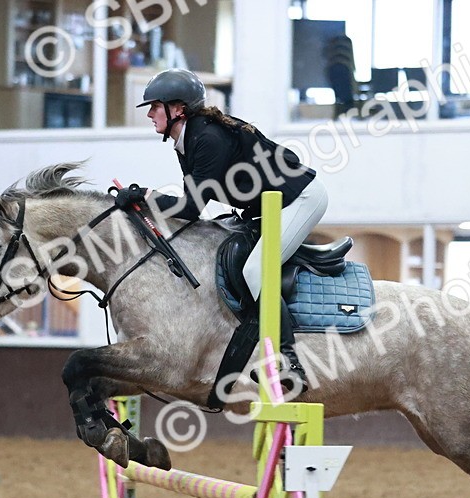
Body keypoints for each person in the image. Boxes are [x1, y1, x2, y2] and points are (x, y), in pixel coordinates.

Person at [133, 69, 327, 388]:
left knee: (255, 272)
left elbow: (191, 209)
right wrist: (143, 201)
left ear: (178, 109)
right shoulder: (188, 140)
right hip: (266, 208)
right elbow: (190, 207)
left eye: (155, 106)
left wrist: (147, 196)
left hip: (300, 199)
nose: (151, 114)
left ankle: (289, 361)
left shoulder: (207, 139)